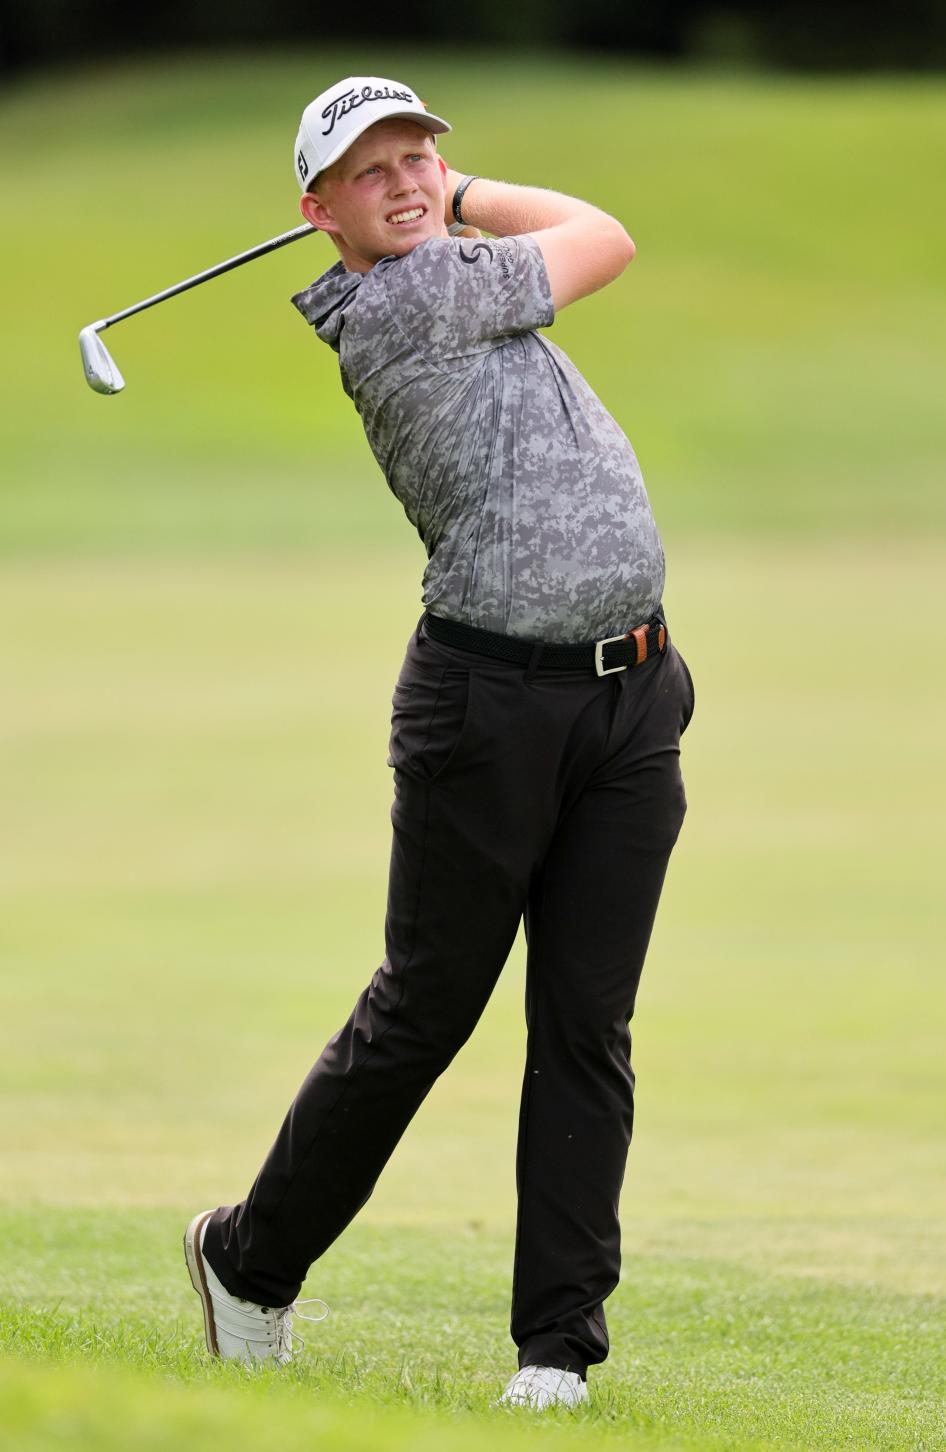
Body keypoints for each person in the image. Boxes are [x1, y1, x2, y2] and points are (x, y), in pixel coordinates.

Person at [184, 74, 695, 1412]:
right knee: (427, 1011)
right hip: (489, 705)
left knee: (588, 1020)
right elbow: (604, 231)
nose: (409, 179)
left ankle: (557, 1351)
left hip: (632, 694)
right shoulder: (420, 296)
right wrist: (467, 202)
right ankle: (248, 1262)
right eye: (372, 170)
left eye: (423, 157)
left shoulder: (448, 278)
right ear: (320, 213)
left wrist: (437, 208)